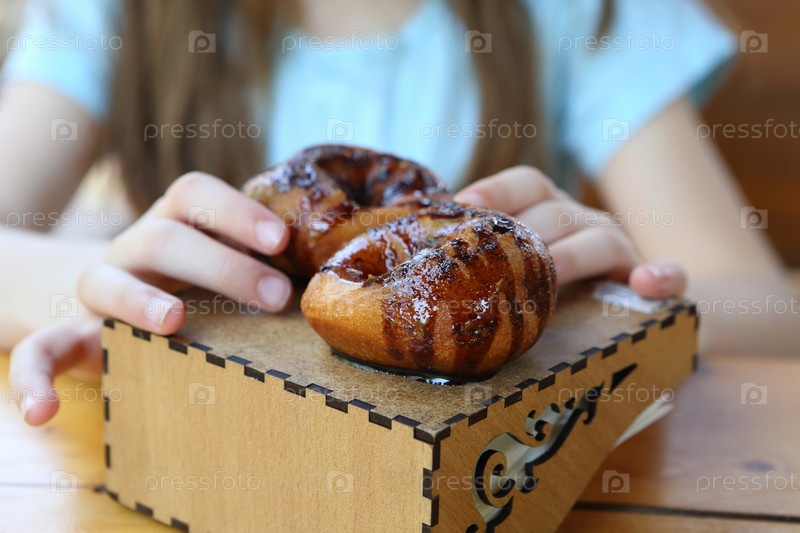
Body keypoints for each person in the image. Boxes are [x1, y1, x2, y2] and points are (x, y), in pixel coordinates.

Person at [2, 0, 795, 426]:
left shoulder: (581, 12)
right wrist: (102, 283)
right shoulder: (115, 13)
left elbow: (772, 315)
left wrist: (620, 308)